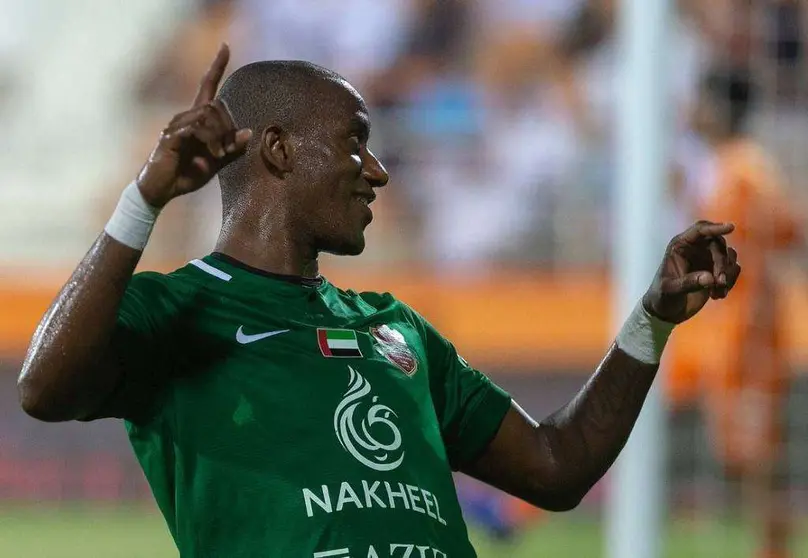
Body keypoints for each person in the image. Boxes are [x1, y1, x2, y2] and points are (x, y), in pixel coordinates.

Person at [17, 44, 741, 558]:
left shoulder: (400, 331)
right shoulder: (178, 310)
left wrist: (651, 320)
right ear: (276, 150)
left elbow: (556, 466)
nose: (379, 171)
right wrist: (145, 199)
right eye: (355, 143)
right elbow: (44, 387)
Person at [669, 67, 802, 558]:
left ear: (720, 107)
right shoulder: (721, 167)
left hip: (748, 333)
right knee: (741, 453)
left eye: (703, 101)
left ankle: (773, 549)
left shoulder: (749, 169)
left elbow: (787, 230)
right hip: (720, 329)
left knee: (759, 455)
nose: (696, 112)